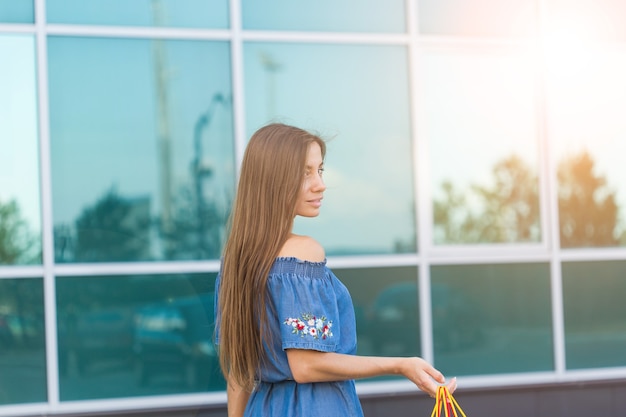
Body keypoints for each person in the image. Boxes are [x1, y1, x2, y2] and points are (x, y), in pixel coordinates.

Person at [215, 123, 456, 417]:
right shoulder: (303, 253)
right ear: (272, 180)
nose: (320, 184)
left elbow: (238, 375)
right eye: (305, 173)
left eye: (320, 170)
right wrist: (400, 365)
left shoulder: (237, 262)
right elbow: (306, 366)